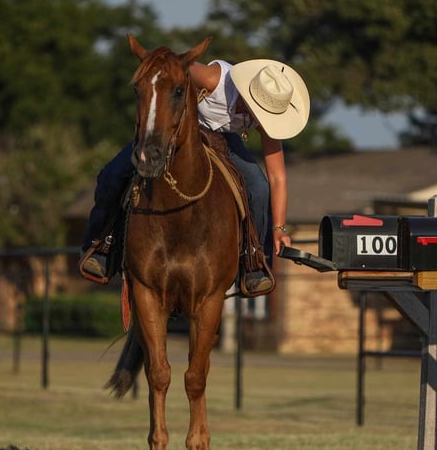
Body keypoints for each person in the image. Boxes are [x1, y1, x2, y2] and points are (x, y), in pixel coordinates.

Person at [80, 56, 310, 294]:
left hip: (223, 139)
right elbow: (173, 69)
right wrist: (156, 125)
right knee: (112, 175)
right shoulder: (213, 80)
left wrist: (279, 229)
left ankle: (255, 261)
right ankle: (100, 246)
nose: (261, 120)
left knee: (259, 188)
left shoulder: (267, 115)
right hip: (180, 127)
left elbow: (277, 177)